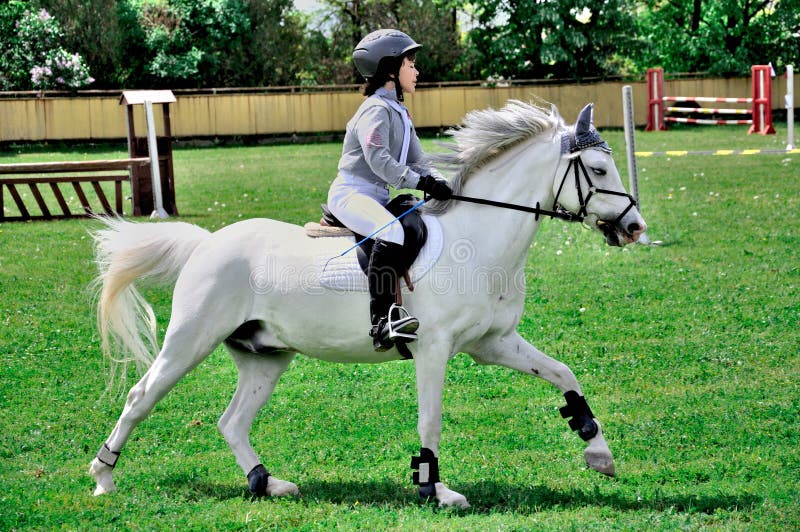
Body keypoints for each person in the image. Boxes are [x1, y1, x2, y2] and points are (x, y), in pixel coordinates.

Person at [327, 28, 453, 352]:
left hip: (377, 195)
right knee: (392, 233)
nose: (417, 70)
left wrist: (440, 181)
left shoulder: (399, 111)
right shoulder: (375, 109)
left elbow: (419, 160)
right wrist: (419, 182)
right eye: (410, 63)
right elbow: (379, 159)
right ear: (391, 70)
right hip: (351, 194)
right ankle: (382, 323)